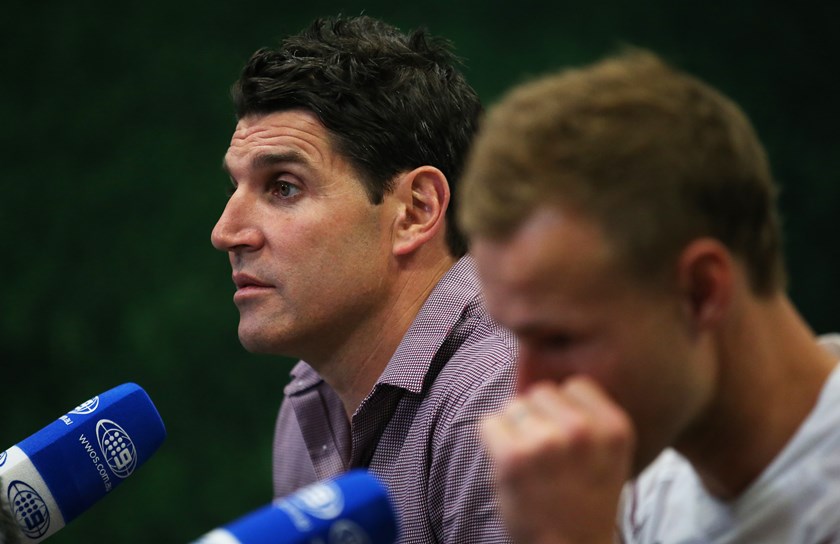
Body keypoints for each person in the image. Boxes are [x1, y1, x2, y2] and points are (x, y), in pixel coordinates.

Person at [458, 49, 840, 543]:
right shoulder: (651, 481)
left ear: (700, 293)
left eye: (559, 340)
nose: (525, 390)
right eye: (514, 338)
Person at [210, 15, 516, 543]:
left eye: (283, 187)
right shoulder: (309, 398)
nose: (226, 233)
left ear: (416, 211)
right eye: (235, 187)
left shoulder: (497, 399)